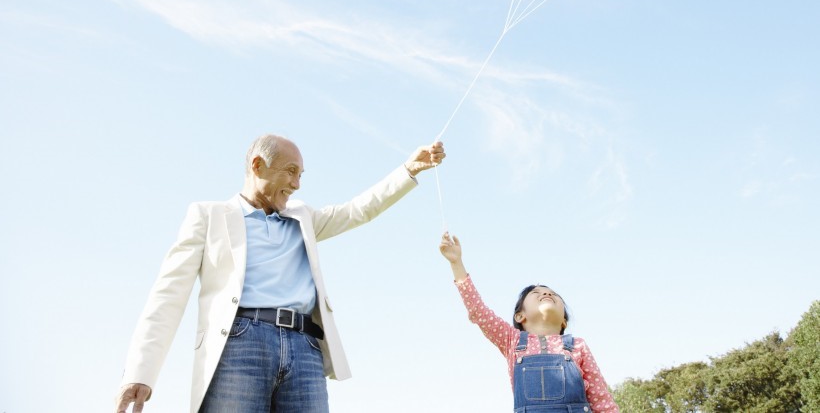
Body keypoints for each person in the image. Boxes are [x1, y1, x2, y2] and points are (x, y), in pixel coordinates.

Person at [115, 134, 445, 413]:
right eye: (290, 172)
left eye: (301, 174)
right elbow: (167, 294)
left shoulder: (304, 218)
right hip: (240, 343)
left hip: (305, 349)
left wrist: (408, 169)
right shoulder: (209, 216)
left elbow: (358, 210)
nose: (296, 184)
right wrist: (141, 372)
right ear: (257, 165)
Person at [439, 232, 619, 412]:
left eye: (553, 294)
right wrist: (457, 264)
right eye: (536, 294)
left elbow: (602, 399)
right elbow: (479, 312)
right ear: (520, 316)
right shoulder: (512, 341)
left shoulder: (578, 346)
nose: (547, 294)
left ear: (564, 320)